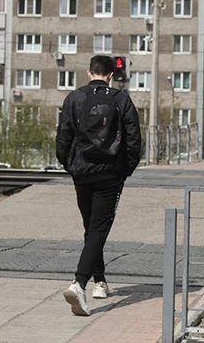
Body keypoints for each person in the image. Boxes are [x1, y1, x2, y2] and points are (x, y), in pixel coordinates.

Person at [56, 55, 142, 316]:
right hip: (109, 174)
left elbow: (63, 138)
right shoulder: (121, 99)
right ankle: (79, 284)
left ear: (88, 72)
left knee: (91, 227)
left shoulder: (74, 98)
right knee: (99, 228)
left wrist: (70, 165)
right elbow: (134, 140)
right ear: (111, 75)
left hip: (82, 172)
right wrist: (124, 171)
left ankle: (100, 281)